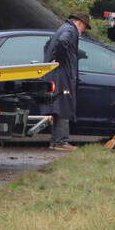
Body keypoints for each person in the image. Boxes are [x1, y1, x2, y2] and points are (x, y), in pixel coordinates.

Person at [42, 13, 90, 152]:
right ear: (79, 23)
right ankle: (61, 142)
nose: (83, 31)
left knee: (58, 108)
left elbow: (47, 44)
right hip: (62, 74)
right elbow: (63, 42)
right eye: (85, 27)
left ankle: (55, 141)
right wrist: (60, 60)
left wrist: (49, 59)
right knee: (63, 106)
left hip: (56, 73)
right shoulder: (70, 30)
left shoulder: (63, 28)